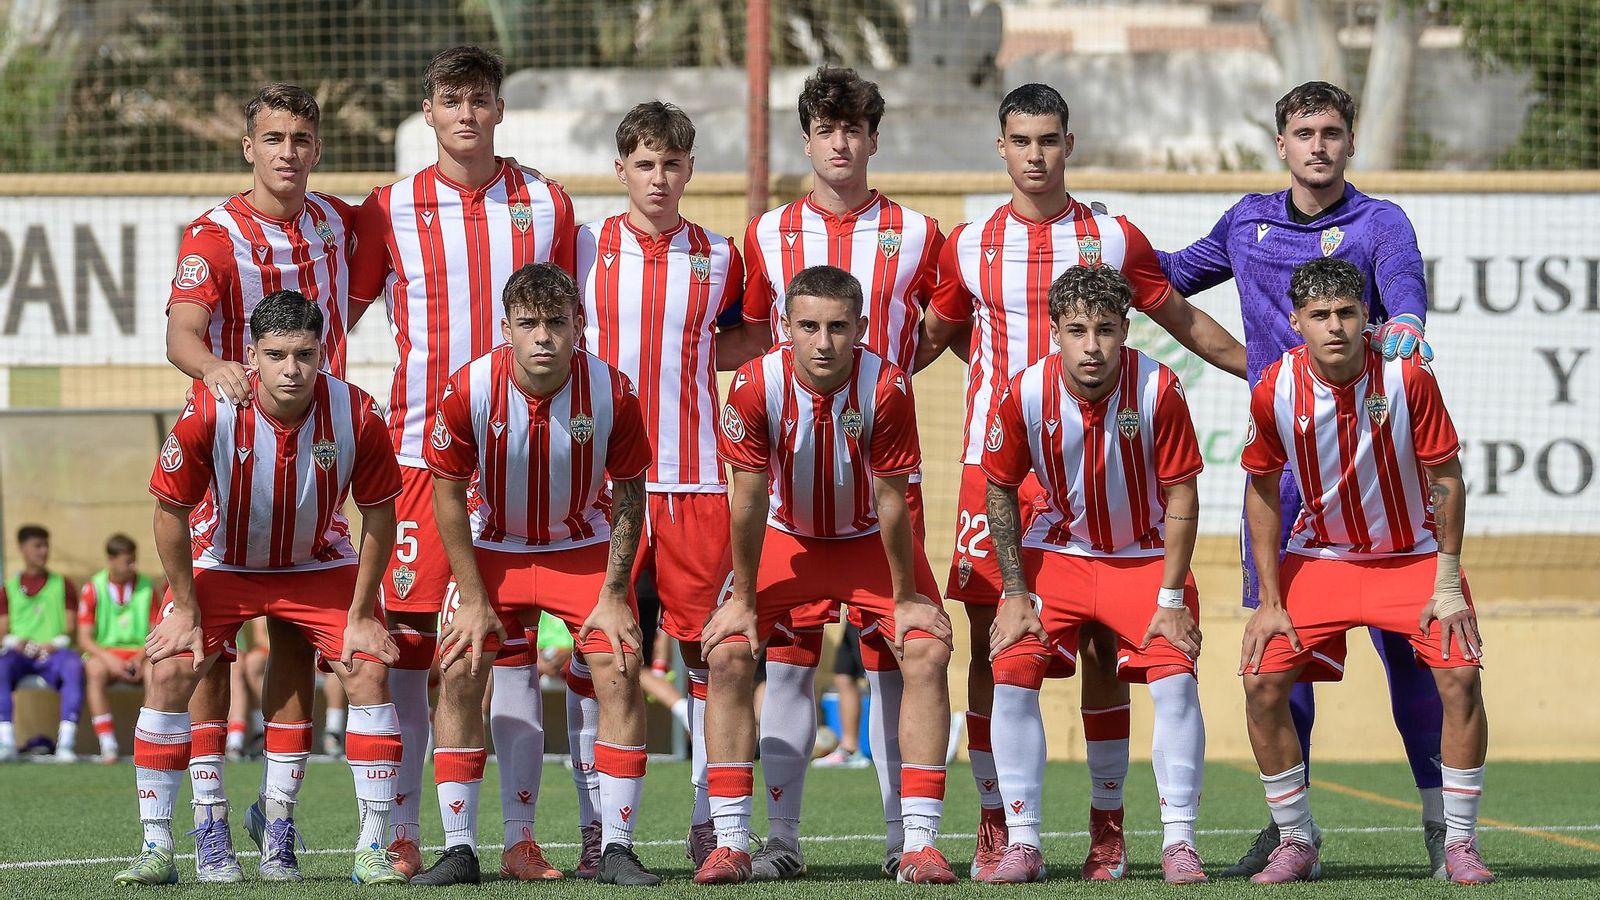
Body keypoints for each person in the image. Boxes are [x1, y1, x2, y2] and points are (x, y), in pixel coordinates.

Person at [914, 82, 1244, 880]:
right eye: (1021, 140)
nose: (1035, 155)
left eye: (1049, 140)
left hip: (1099, 468)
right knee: (999, 647)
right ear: (1002, 147)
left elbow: (1179, 318)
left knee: (1106, 643)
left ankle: (1110, 829)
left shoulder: (1110, 235)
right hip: (998, 468)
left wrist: (1262, 371)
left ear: (1070, 143)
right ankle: (1001, 824)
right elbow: (932, 336)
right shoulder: (969, 244)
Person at [1158, 80, 1448, 879]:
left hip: (1376, 475)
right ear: (1280, 143)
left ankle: (1439, 825)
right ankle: (1296, 834)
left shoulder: (1379, 222)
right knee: (1281, 656)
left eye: (1330, 131)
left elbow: (1407, 292)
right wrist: (1099, 245)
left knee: (1414, 658)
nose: (1317, 145)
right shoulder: (1246, 221)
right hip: (1287, 483)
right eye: (1302, 132)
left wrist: (1410, 329)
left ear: (1349, 142)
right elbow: (1171, 276)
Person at [351, 45, 577, 878]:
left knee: (510, 650)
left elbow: (572, 323)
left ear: (499, 109)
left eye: (481, 98)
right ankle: (406, 834)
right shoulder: (388, 209)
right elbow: (337, 317)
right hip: (417, 457)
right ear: (429, 112)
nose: (467, 113)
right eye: (452, 99)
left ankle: (519, 839)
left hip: (522, 458)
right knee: (416, 654)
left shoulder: (546, 204)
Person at [115, 290, 406, 886]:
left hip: (315, 562)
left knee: (368, 665)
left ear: (323, 352)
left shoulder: (359, 413)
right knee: (171, 665)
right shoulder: (209, 408)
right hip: (223, 559)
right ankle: (168, 842)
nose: (292, 369)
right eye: (276, 355)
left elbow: (379, 515)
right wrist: (186, 608)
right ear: (252, 356)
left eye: (304, 354)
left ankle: (342, 840)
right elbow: (168, 510)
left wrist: (364, 612)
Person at [741, 65, 945, 878]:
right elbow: (755, 339)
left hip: (884, 483)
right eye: (827, 128)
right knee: (788, 658)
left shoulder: (920, 232)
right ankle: (780, 843)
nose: (841, 142)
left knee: (903, 655)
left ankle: (910, 842)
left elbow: (940, 327)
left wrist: (887, 379)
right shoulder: (765, 234)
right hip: (791, 489)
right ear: (808, 138)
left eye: (855, 129)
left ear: (872, 139)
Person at [698, 265, 958, 885]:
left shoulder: (888, 386)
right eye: (809, 326)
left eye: (839, 327)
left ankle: (916, 843)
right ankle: (739, 842)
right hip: (786, 540)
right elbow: (749, 499)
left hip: (867, 539)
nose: (823, 342)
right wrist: (742, 599)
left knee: (923, 651)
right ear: (784, 328)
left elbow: (893, 501)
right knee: (730, 652)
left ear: (862, 329)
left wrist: (905, 600)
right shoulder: (755, 384)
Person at [1237, 258, 1492, 885]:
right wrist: (1270, 598)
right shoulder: (1275, 387)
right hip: (1321, 557)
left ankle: (1455, 841)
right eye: (1320, 316)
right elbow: (1262, 491)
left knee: (1459, 676)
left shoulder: (1408, 376)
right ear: (1297, 323)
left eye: (1347, 313)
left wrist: (1448, 580)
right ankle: (1297, 840)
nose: (1335, 328)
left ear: (1365, 317)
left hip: (1413, 558)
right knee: (1262, 683)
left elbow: (1447, 480)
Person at [164, 82, 354, 880]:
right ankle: (208, 821)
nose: (287, 152)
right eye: (272, 138)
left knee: (294, 642)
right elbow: (181, 331)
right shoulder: (214, 234)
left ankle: (277, 822)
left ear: (316, 147)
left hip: (315, 453)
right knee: (209, 646)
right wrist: (215, 370)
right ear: (249, 147)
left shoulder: (340, 223)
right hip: (230, 457)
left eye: (301, 139)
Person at [417, 262, 658, 887]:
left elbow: (631, 496)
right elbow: (445, 495)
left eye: (556, 322)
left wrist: (612, 595)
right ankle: (463, 848)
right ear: (506, 329)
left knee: (619, 662)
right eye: (528, 324)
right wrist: (471, 597)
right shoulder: (468, 388)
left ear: (580, 325)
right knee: (461, 665)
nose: (543, 337)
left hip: (582, 548)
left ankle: (616, 848)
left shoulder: (613, 391)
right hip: (493, 549)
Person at [981, 265, 1209, 885]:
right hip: (1058, 555)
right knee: (1012, 666)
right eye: (1077, 330)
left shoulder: (1159, 387)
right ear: (1055, 332)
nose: (1092, 346)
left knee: (1175, 677)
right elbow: (998, 489)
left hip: (1144, 558)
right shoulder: (1027, 391)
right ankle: (1022, 843)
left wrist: (1170, 597)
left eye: (1106, 330)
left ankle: (1177, 842)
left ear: (1125, 331)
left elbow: (1183, 495)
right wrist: (1014, 592)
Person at [573, 100, 750, 875]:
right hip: (602, 486)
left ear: (690, 169)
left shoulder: (721, 253)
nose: (658, 177)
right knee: (599, 661)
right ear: (621, 170)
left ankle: (711, 822)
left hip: (697, 482)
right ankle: (594, 828)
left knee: (711, 660)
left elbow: (747, 335)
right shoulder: (582, 246)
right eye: (643, 164)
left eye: (672, 163)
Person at [0, 525, 83, 763]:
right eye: (37, 546)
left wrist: (52, 644)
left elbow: (70, 628)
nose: (43, 551)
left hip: (54, 653)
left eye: (46, 545)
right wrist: (17, 642)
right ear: (22, 549)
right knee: (1, 667)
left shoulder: (63, 584)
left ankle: (66, 744)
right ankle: (6, 744)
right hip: (19, 655)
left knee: (74, 666)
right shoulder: (9, 588)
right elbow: (2, 631)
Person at [77, 534, 156, 763]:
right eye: (127, 561)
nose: (133, 566)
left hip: (141, 653)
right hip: (106, 655)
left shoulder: (147, 587)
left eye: (134, 560)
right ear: (111, 560)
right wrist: (110, 659)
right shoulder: (93, 588)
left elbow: (155, 631)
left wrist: (140, 657)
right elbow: (84, 638)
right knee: (94, 670)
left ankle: (147, 742)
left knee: (158, 672)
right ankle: (108, 744)